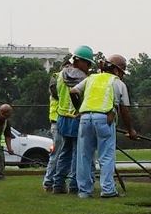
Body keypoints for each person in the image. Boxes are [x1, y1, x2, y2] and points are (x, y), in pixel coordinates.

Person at [71, 54, 137, 199]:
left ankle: (84, 191)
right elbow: (124, 109)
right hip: (105, 118)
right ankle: (107, 190)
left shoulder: (91, 78)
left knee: (84, 156)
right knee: (106, 156)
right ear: (117, 70)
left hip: (85, 118)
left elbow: (73, 91)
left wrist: (79, 109)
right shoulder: (118, 83)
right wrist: (130, 130)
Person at [51, 46, 97, 194]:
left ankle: (58, 184)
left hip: (62, 118)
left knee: (65, 152)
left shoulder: (60, 75)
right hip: (78, 118)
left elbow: (56, 95)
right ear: (81, 61)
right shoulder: (84, 79)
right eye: (88, 64)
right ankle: (74, 185)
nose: (89, 68)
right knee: (79, 153)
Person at [42, 71, 64, 191]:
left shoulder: (57, 81)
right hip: (58, 121)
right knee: (58, 154)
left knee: (60, 154)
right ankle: (49, 181)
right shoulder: (59, 87)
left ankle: (52, 181)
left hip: (59, 121)